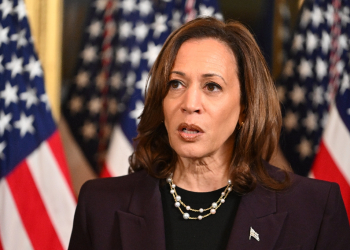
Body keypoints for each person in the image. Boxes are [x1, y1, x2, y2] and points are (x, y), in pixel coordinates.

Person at [68, 17, 350, 250]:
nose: (189, 104)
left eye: (212, 87)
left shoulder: (314, 209)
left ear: (244, 108)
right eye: (176, 84)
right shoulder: (100, 205)